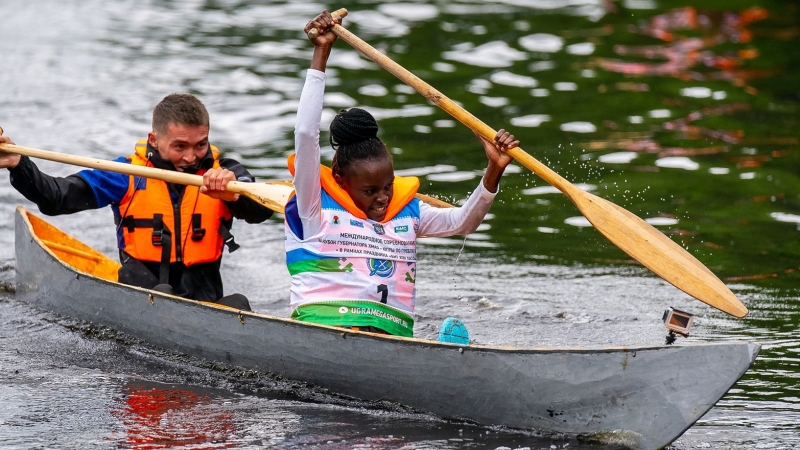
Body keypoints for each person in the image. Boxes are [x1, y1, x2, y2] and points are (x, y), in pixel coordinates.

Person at [285, 10, 519, 338]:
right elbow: (306, 136)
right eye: (370, 191)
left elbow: (463, 223)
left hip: (391, 338)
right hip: (324, 331)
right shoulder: (315, 207)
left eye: (387, 186)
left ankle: (440, 356)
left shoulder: (407, 213)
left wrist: (494, 169)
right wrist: (322, 51)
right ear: (341, 181)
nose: (383, 197)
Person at [0, 94, 273, 309]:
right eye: (180, 146)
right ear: (154, 139)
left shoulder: (227, 174)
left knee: (238, 304)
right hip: (144, 298)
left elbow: (261, 212)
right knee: (163, 296)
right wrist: (19, 165)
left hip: (206, 300)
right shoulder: (127, 175)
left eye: (200, 145)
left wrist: (234, 196)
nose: (191, 157)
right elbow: (57, 198)